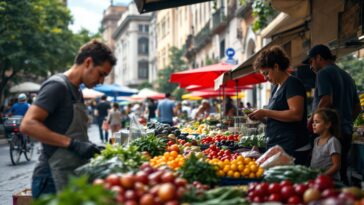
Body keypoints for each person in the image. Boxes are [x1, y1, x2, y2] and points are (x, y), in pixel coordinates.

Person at [20, 39, 117, 198]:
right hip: (50, 177)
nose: (101, 81)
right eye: (101, 74)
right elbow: (28, 125)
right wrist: (72, 144)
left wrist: (88, 147)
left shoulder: (77, 91)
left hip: (69, 174)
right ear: (88, 62)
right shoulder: (57, 86)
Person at [303, 44, 361, 184]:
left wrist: (311, 121)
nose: (311, 66)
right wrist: (344, 122)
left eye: (311, 61)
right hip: (346, 132)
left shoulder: (323, 73)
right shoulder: (347, 76)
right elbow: (357, 108)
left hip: (329, 134)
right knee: (342, 172)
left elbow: (326, 100)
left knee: (328, 175)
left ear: (319, 58)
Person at [248, 46, 310, 165]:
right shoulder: (276, 87)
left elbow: (296, 114)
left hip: (293, 147)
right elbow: (277, 118)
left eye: (266, 73)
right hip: (279, 145)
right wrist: (260, 116)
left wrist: (266, 112)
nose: (265, 78)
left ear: (276, 67)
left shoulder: (292, 83)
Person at [310, 108, 341, 181]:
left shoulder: (332, 142)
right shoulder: (316, 140)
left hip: (330, 180)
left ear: (327, 124)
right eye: (313, 122)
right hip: (317, 179)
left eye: (317, 122)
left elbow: (337, 165)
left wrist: (323, 176)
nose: (313, 124)